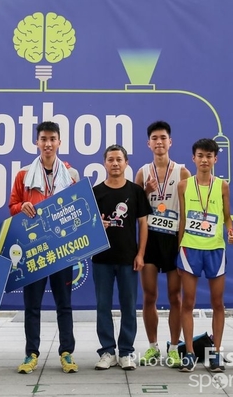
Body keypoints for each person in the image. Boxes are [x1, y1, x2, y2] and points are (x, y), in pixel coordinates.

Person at [8, 121, 80, 374]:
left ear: (59, 142)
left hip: (61, 249)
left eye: (52, 139)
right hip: (34, 250)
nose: (48, 144)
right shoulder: (23, 174)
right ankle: (31, 354)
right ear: (36, 142)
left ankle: (67, 353)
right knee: (32, 306)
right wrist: (22, 207)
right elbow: (12, 206)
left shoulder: (71, 174)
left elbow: (77, 208)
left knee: (64, 304)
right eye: (43, 139)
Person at [176, 138, 233, 372]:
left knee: (218, 303)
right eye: (200, 155)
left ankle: (215, 353)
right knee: (188, 302)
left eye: (209, 156)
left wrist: (230, 231)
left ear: (215, 159)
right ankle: (190, 353)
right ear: (193, 158)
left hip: (215, 249)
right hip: (189, 248)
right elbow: (182, 219)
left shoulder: (222, 185)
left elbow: (227, 217)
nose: (204, 160)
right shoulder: (184, 185)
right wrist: (179, 248)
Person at [134, 121, 190, 368]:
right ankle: (153, 346)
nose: (159, 142)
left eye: (163, 138)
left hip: (173, 240)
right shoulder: (142, 172)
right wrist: (145, 192)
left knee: (175, 296)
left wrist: (182, 245)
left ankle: (175, 348)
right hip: (150, 241)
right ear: (148, 143)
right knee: (149, 296)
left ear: (170, 142)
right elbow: (135, 209)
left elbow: (187, 212)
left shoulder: (183, 173)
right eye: (155, 138)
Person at [93, 145, 151, 371]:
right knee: (103, 306)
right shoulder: (96, 192)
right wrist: (98, 224)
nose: (115, 163)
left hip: (128, 258)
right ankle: (107, 351)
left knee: (128, 306)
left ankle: (126, 352)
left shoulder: (135, 191)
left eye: (119, 159)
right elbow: (87, 226)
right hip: (102, 259)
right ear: (105, 163)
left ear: (126, 163)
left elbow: (143, 224)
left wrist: (140, 254)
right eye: (111, 159)